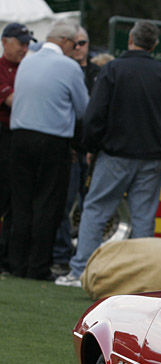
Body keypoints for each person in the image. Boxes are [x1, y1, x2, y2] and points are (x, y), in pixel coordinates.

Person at [57, 20, 161, 288]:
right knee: (143, 218)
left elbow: (95, 114)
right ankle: (140, 277)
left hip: (115, 153)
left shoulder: (114, 69)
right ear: (155, 44)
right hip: (151, 156)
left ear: (130, 39)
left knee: (96, 210)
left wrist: (91, 146)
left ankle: (81, 271)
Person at [6, 19, 88, 280]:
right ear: (64, 41)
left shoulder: (27, 61)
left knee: (21, 202)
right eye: (74, 43)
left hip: (19, 138)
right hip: (52, 141)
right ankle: (38, 266)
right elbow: (83, 108)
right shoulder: (69, 67)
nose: (75, 48)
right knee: (47, 204)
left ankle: (17, 263)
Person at [52, 25, 101, 276]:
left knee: (91, 209)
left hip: (91, 150)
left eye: (82, 43)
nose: (78, 47)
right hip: (70, 148)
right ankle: (62, 256)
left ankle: (88, 260)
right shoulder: (60, 69)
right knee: (63, 206)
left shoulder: (98, 73)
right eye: (75, 43)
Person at [0, 22, 34, 274]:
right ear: (5, 42)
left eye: (27, 43)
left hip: (21, 138)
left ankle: (12, 258)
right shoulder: (2, 68)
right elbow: (13, 101)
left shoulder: (29, 67)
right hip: (4, 137)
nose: (25, 48)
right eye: (20, 43)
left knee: (17, 200)